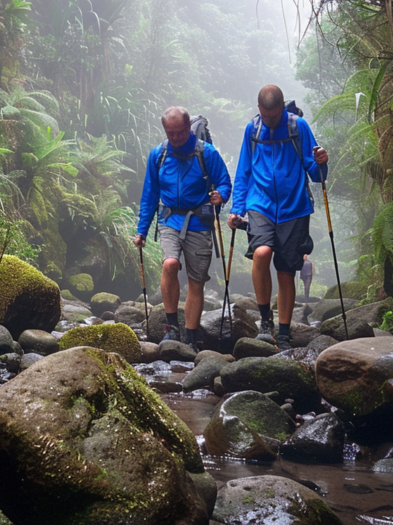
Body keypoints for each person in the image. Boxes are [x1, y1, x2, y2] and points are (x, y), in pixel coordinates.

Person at [228, 85, 328, 351]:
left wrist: (321, 162)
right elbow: (244, 170)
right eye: (266, 116)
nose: (270, 121)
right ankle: (265, 322)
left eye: (275, 116)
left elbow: (316, 174)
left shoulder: (299, 126)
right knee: (261, 253)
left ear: (282, 107)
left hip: (294, 207)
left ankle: (283, 332)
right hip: (259, 203)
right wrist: (237, 208)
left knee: (285, 270)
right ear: (259, 109)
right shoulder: (253, 129)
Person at [134, 106, 232, 347]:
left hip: (199, 222)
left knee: (196, 281)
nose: (176, 138)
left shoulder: (206, 153)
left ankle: (189, 335)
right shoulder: (158, 155)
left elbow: (225, 182)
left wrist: (221, 195)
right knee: (170, 263)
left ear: (189, 128)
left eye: (180, 132)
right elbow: (150, 195)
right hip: (169, 219)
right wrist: (141, 230)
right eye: (171, 133)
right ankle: (171, 327)